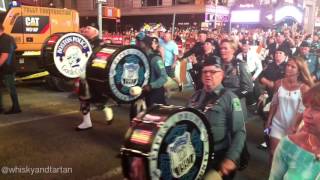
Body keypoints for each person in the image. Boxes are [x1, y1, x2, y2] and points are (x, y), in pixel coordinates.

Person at [188, 59, 246, 180]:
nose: (208, 74)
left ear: (222, 74)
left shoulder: (230, 98)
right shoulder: (195, 97)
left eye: (213, 72)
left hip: (218, 157)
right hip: (194, 156)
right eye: (205, 72)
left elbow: (240, 131)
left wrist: (231, 158)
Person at [269, 83, 320, 180]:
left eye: (316, 109)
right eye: (307, 107)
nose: (306, 114)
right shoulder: (289, 145)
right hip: (278, 123)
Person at [266, 56, 313, 160]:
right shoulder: (279, 83)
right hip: (277, 123)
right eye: (288, 65)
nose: (288, 68)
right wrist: (269, 120)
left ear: (299, 71)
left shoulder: (304, 88)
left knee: (286, 157)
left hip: (294, 127)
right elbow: (274, 103)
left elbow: (303, 111)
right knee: (273, 153)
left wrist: (295, 127)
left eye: (293, 67)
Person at [76, 24, 113, 131]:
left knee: (96, 98)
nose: (86, 29)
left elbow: (102, 58)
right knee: (83, 98)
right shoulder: (84, 42)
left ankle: (106, 109)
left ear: (96, 31)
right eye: (86, 28)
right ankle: (87, 122)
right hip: (83, 74)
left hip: (94, 74)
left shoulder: (101, 43)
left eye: (89, 28)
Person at [129, 33, 168, 120]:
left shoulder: (155, 59)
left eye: (138, 42)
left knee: (155, 120)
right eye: (136, 42)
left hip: (154, 94)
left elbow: (163, 77)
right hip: (140, 93)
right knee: (135, 118)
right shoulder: (138, 58)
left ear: (145, 44)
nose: (136, 44)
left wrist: (151, 86)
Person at [219, 38, 253, 120]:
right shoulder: (218, 64)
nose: (222, 51)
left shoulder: (240, 65)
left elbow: (248, 88)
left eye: (225, 48)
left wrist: (232, 96)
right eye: (221, 48)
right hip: (220, 103)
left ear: (233, 50)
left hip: (236, 103)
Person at [0, 24, 21, 114]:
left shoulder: (4, 39)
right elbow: (15, 47)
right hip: (6, 67)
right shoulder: (9, 38)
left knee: (10, 87)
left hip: (7, 68)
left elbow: (4, 55)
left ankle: (16, 108)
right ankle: (0, 107)